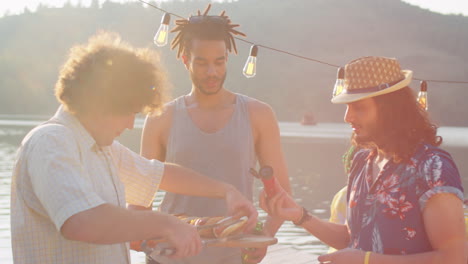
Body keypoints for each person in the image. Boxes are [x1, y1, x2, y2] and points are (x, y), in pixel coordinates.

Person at [10, 31, 258, 264]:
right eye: (130, 112)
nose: (131, 124)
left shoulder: (103, 148)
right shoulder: (51, 141)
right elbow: (81, 221)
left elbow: (159, 174)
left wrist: (226, 191)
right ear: (103, 101)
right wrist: (166, 223)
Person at [260, 56, 466, 264]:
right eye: (347, 107)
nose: (347, 117)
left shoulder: (432, 166)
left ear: (391, 110)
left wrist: (368, 260)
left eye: (359, 108)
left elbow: (455, 257)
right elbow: (354, 239)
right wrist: (300, 216)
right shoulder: (362, 161)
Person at [138, 4, 291, 264]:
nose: (212, 72)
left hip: (233, 257)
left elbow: (283, 193)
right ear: (185, 59)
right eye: (202, 63)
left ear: (227, 58)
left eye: (219, 62)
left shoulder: (259, 114)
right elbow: (140, 198)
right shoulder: (160, 118)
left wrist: (265, 234)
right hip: (168, 258)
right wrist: (151, 239)